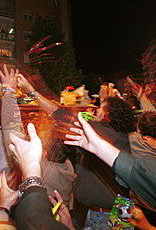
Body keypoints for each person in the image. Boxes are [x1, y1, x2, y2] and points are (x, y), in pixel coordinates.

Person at [17, 74, 134, 228]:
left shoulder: (99, 132)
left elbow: (59, 114)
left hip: (105, 215)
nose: (96, 111)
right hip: (124, 209)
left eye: (100, 109)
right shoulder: (123, 136)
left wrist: (31, 91)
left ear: (108, 116)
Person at [0, 65, 74, 207]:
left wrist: (9, 92)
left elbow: (13, 132)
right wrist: (30, 91)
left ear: (44, 153)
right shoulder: (68, 167)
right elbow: (64, 118)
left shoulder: (42, 169)